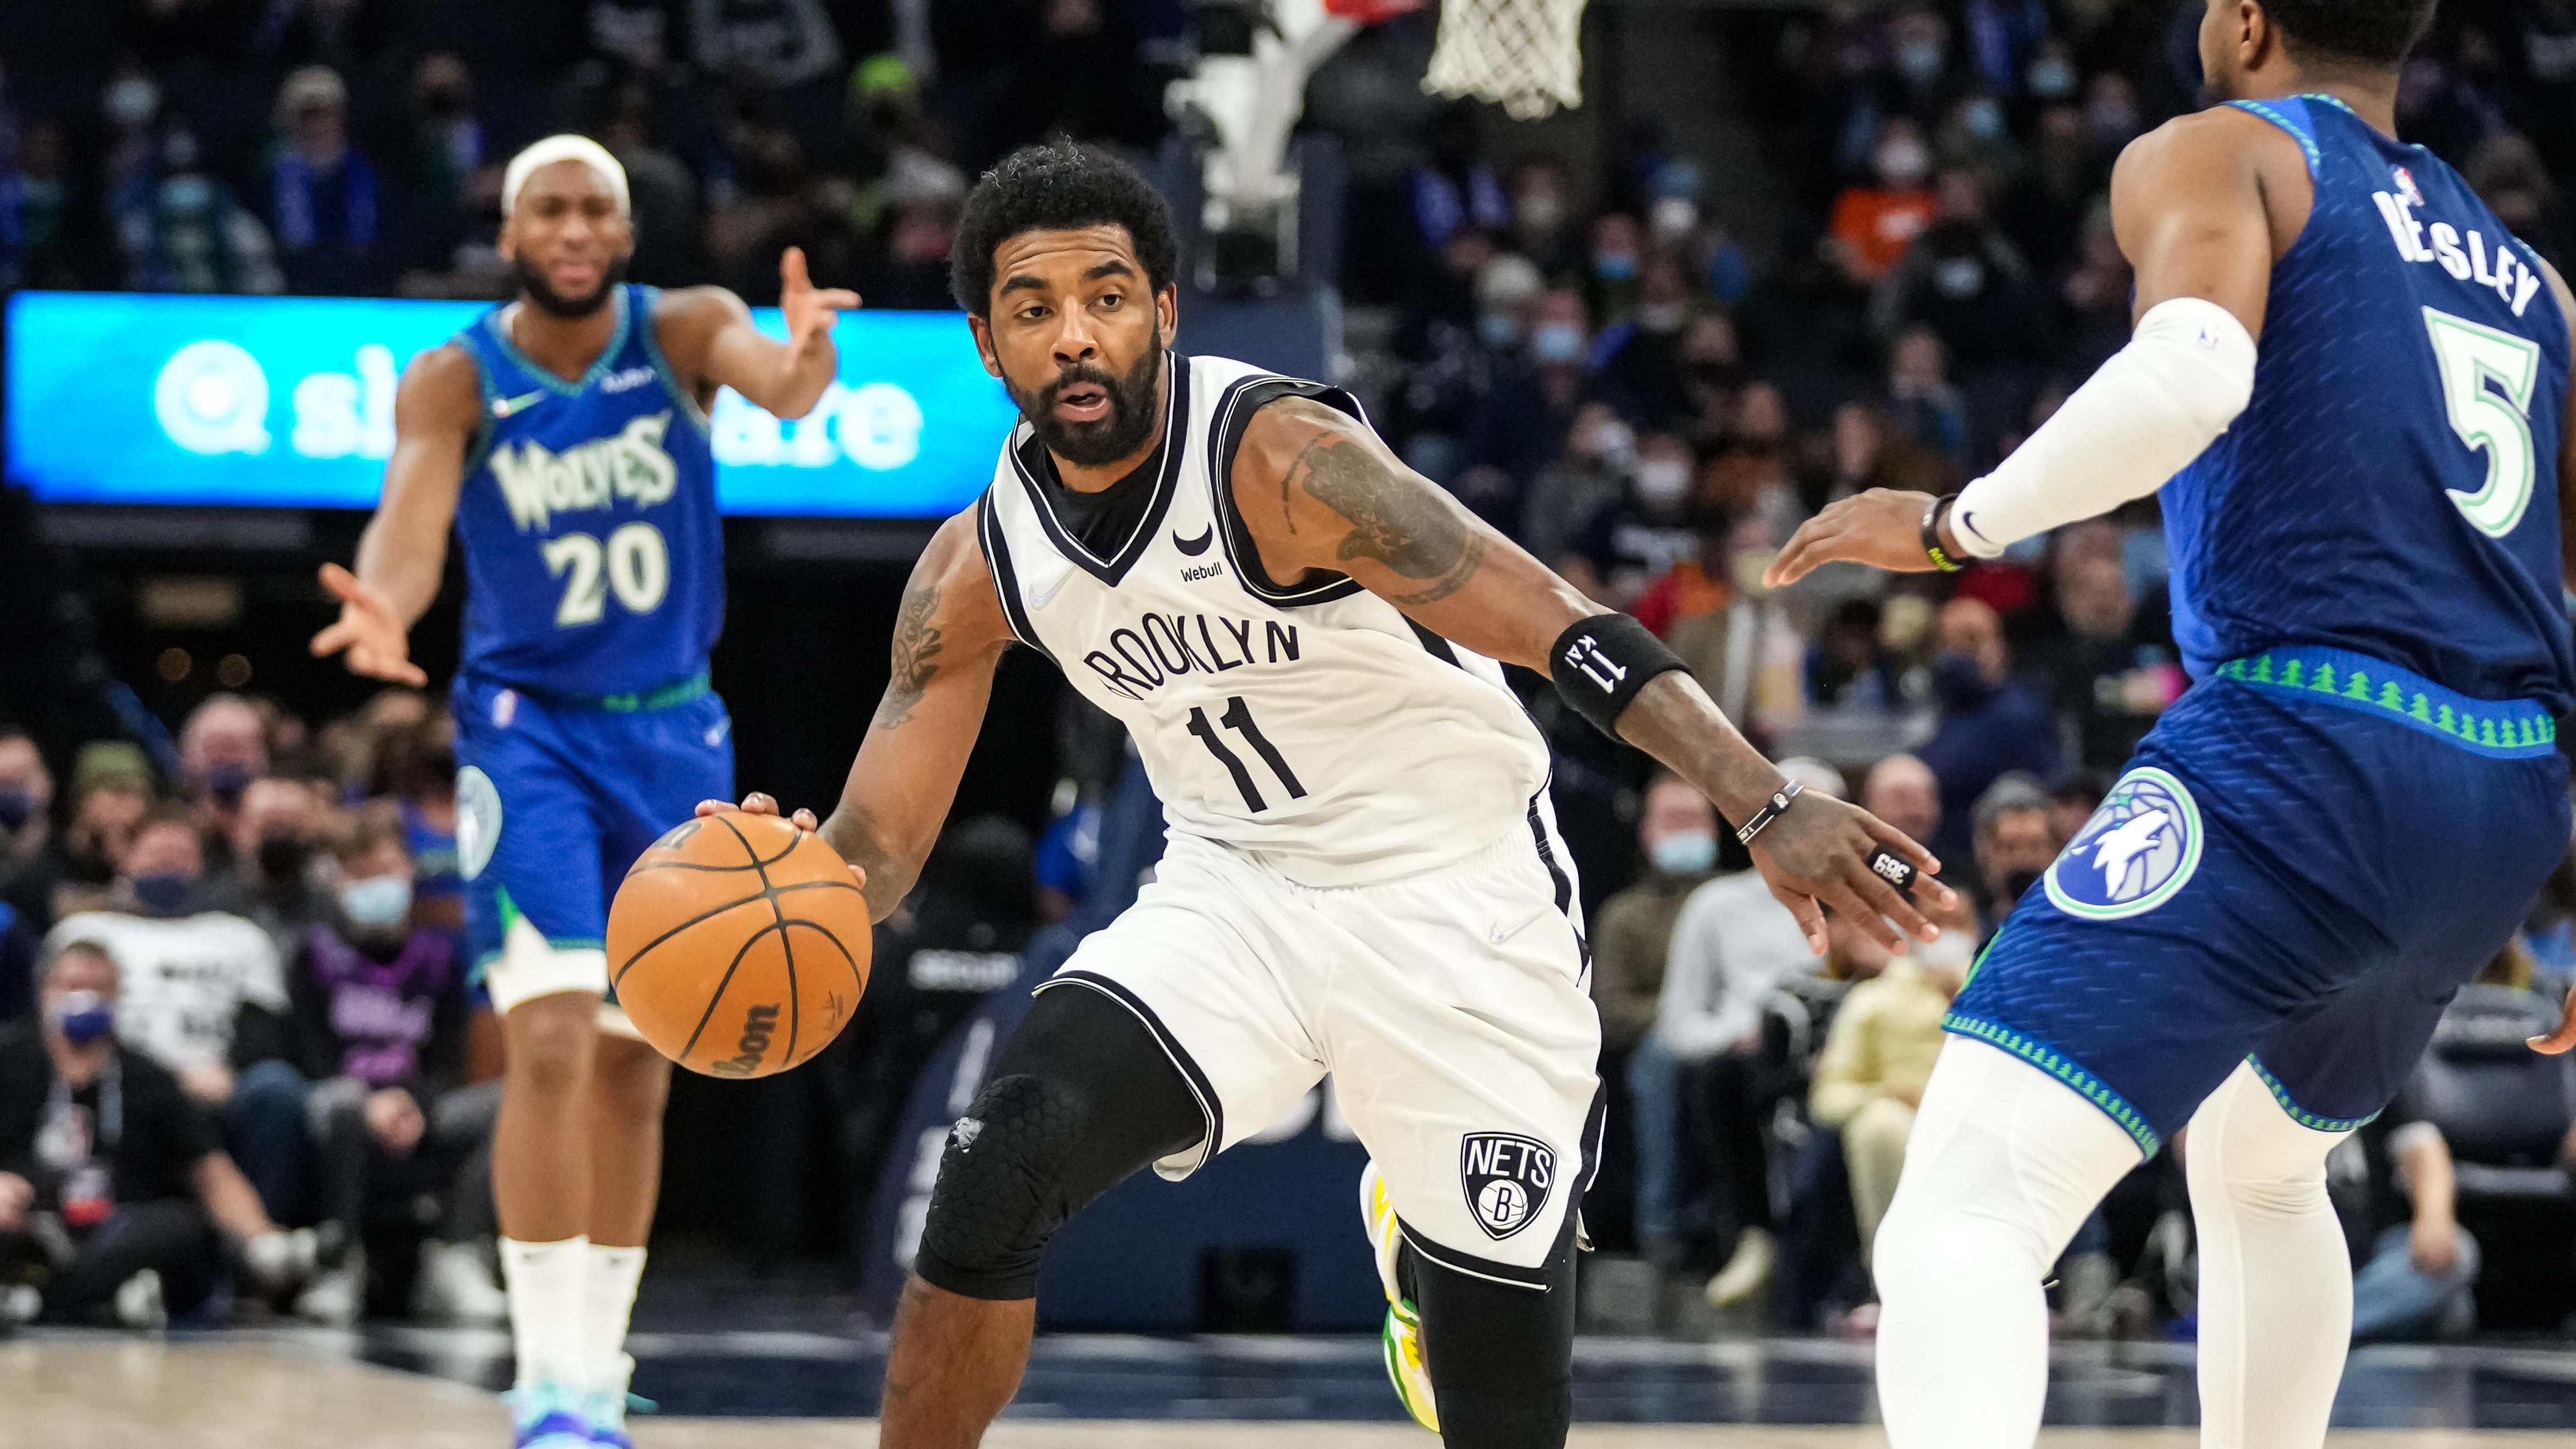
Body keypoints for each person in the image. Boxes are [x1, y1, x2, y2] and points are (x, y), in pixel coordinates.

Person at [704, 142, 1949, 1449]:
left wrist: (1762, 802)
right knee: (995, 1166)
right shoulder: (980, 561)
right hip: (1232, 894)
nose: (1073, 334)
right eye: (1033, 307)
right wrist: (794, 884)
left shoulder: (1283, 460)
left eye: (1106, 297)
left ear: (1163, 313)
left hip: (1457, 895)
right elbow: (879, 842)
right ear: (986, 344)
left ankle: (1423, 1248)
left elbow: (1561, 625)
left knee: (1502, 1416)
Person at [1766, 1, 2576, 1442]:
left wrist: (1953, 525)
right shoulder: (2530, 281)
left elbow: (2191, 374)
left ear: (2244, 19)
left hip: (2310, 738)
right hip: (2503, 792)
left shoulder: (2224, 149)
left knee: (1966, 1202)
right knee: (2260, 1163)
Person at [306, 135, 857, 1447]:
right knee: (547, 1036)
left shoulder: (684, 329)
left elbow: (780, 387)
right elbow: (411, 524)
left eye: (591, 209)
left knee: (635, 1063)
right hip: (526, 733)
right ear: (510, 234)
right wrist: (384, 601)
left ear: (622, 230)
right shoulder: (455, 377)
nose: (569, 228)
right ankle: (548, 1375)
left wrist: (807, 359)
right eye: (546, 209)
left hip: (672, 732)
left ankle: (600, 1365)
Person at [0, 940, 308, 1329]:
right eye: (73, 986)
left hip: (117, 1229)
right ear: (45, 992)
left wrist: (263, 1240)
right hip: (28, 1221)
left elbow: (210, 1171)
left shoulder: (150, 1078)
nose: (85, 999)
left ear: (118, 997)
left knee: (184, 1226)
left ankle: (39, 1295)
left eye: (98, 988)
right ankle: (96, 1299)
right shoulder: (8, 1062)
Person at [42, 806, 306, 1227]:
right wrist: (155, 1077)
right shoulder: (86, 932)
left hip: (217, 1084)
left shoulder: (239, 935)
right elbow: (55, 1021)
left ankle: (264, 1243)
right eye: (157, 855)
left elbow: (265, 1028)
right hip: (119, 1081)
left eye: (181, 856)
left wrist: (231, 1072)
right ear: (126, 857)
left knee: (277, 1087)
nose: (169, 866)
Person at [1650, 758, 1851, 1308]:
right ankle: (1753, 1235)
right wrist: (1737, 1033)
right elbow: (1677, 1023)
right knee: (1723, 1077)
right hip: (1749, 1054)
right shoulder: (1715, 905)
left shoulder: (1859, 898)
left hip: (1846, 1047)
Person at [285, 805, 497, 1326]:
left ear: (408, 870)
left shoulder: (440, 958)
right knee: (342, 1103)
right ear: (338, 881)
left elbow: (447, 1062)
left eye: (384, 870)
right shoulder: (314, 956)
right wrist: (370, 1101)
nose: (374, 885)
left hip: (417, 1104)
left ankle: (456, 1254)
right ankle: (341, 1263)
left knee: (506, 1103)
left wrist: (411, 1102)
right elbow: (311, 1056)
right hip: (339, 1103)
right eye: (360, 874)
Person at [1587, 775, 1722, 1257]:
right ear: (1647, 831)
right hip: (1658, 1046)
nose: (1685, 830)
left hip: (1737, 1039)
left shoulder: (1737, 901)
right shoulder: (1624, 915)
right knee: (1662, 1058)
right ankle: (1661, 1223)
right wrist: (1688, 1017)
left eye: (1695, 820)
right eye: (1673, 820)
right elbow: (1612, 1012)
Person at [1967, 774, 2060, 929]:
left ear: (2056, 849)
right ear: (1983, 851)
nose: (2023, 859)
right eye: (2009, 848)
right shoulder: (1961, 921)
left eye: (2035, 847)